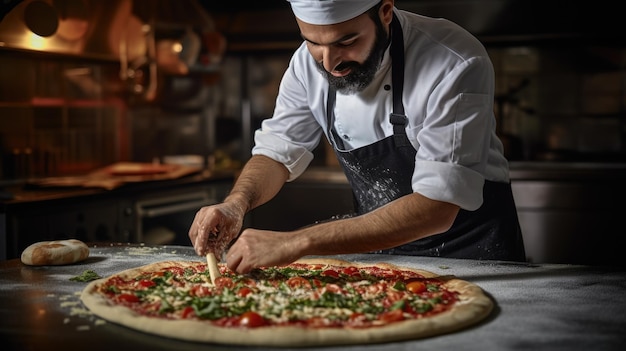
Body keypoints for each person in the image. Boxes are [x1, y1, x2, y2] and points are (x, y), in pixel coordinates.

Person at [188, 0, 526, 273]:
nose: (330, 62)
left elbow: (438, 205)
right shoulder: (306, 67)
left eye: (346, 41)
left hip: (473, 261)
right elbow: (277, 151)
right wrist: (236, 203)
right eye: (313, 43)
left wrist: (296, 242)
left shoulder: (454, 61)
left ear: (385, 12)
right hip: (378, 261)